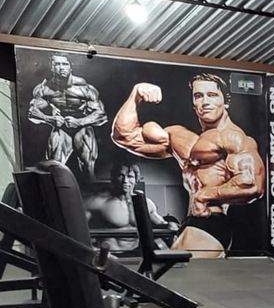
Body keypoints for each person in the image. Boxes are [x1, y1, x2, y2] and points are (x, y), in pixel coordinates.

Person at [110, 73, 265, 258]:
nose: (205, 102)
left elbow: (252, 184)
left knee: (178, 273)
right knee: (168, 273)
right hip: (189, 223)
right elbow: (123, 136)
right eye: (199, 96)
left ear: (226, 101)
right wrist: (135, 96)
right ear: (193, 103)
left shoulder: (234, 138)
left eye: (212, 95)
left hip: (211, 223)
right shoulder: (181, 137)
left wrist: (204, 196)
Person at [27, 54, 107, 181]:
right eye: (57, 64)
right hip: (61, 127)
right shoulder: (44, 89)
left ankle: (91, 192)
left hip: (82, 127)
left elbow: (101, 115)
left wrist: (79, 122)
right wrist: (49, 119)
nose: (61, 68)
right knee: (55, 167)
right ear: (52, 68)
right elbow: (32, 112)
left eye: (65, 64)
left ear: (70, 67)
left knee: (88, 166)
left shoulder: (84, 87)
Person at [84, 163, 177, 253]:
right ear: (113, 178)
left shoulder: (146, 204)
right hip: (111, 254)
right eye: (121, 176)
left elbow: (161, 224)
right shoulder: (98, 202)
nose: (125, 181)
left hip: (137, 253)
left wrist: (169, 225)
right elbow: (78, 230)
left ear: (136, 180)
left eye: (130, 176)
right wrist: (95, 250)